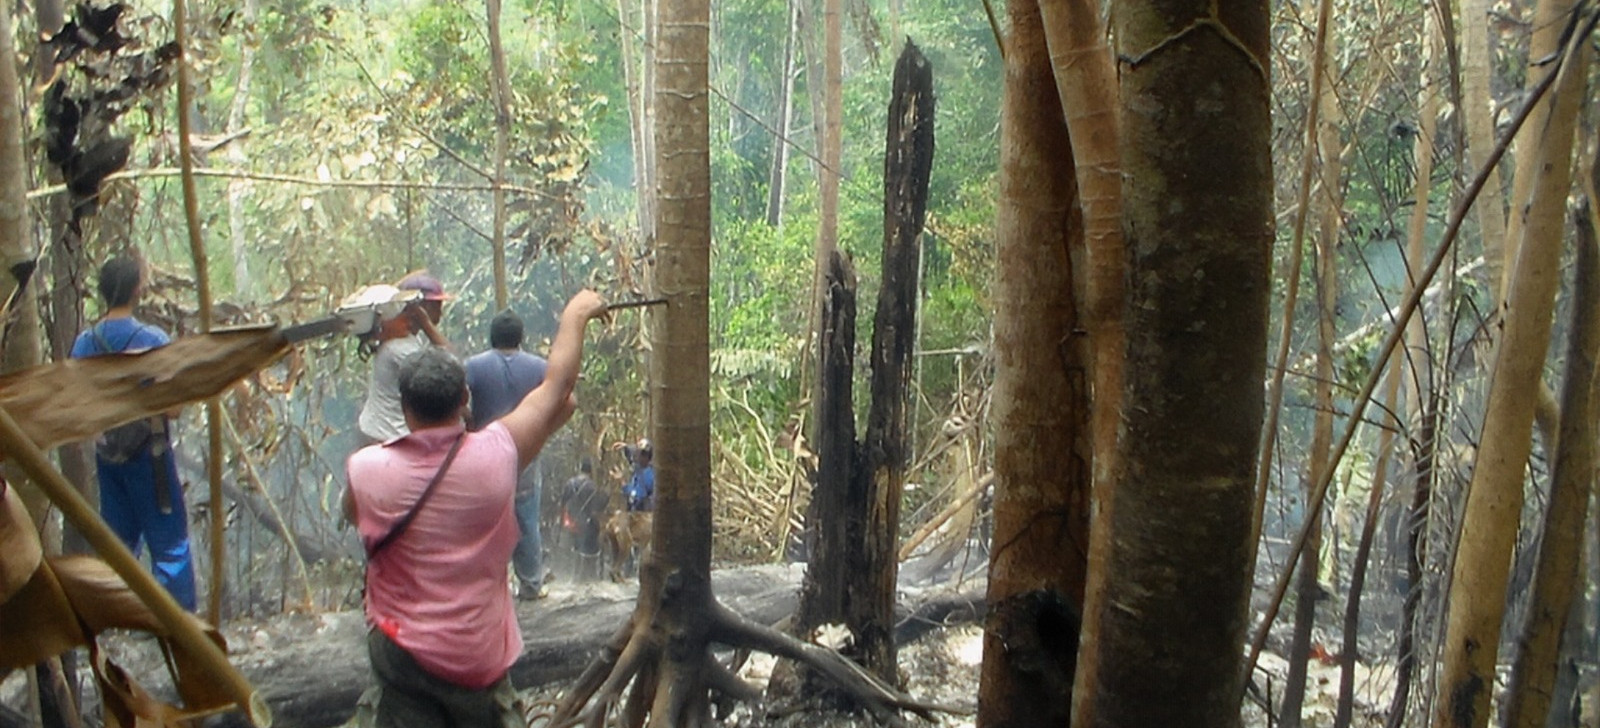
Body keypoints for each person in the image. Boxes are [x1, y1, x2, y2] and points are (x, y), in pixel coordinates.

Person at [343, 290, 607, 728]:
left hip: (400, 656)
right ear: (465, 398)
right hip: (476, 656)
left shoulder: (367, 469)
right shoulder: (496, 455)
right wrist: (576, 313)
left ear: (406, 409)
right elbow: (560, 389)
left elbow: (358, 518)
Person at [70, 256, 197, 611]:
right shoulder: (153, 339)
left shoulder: (84, 344)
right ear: (137, 290)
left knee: (117, 542)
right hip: (151, 458)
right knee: (169, 540)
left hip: (107, 456)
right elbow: (173, 407)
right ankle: (175, 618)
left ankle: (117, 613)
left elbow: (78, 405)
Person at [464, 309, 550, 599]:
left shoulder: (473, 367)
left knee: (486, 521)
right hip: (525, 452)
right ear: (520, 337)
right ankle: (531, 584)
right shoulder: (539, 367)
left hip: (484, 455)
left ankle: (488, 586)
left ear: (492, 337)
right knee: (526, 518)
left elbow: (462, 406)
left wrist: (471, 428)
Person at [357, 271, 452, 444]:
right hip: (385, 436)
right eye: (436, 305)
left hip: (385, 431)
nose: (441, 312)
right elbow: (451, 367)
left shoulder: (407, 339)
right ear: (419, 307)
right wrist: (426, 323)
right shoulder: (399, 347)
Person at [558, 458, 606, 580]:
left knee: (575, 549)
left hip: (572, 523)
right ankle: (588, 578)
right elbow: (596, 510)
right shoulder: (592, 487)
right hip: (587, 524)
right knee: (589, 553)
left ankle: (571, 576)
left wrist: (563, 522)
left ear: (580, 469)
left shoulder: (570, 484)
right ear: (590, 471)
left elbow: (563, 504)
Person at [621, 438, 654, 512]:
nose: (636, 456)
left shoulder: (648, 476)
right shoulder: (640, 469)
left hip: (642, 516)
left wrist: (623, 483)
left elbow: (636, 496)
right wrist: (626, 447)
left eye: (638, 453)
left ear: (645, 456)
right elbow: (631, 459)